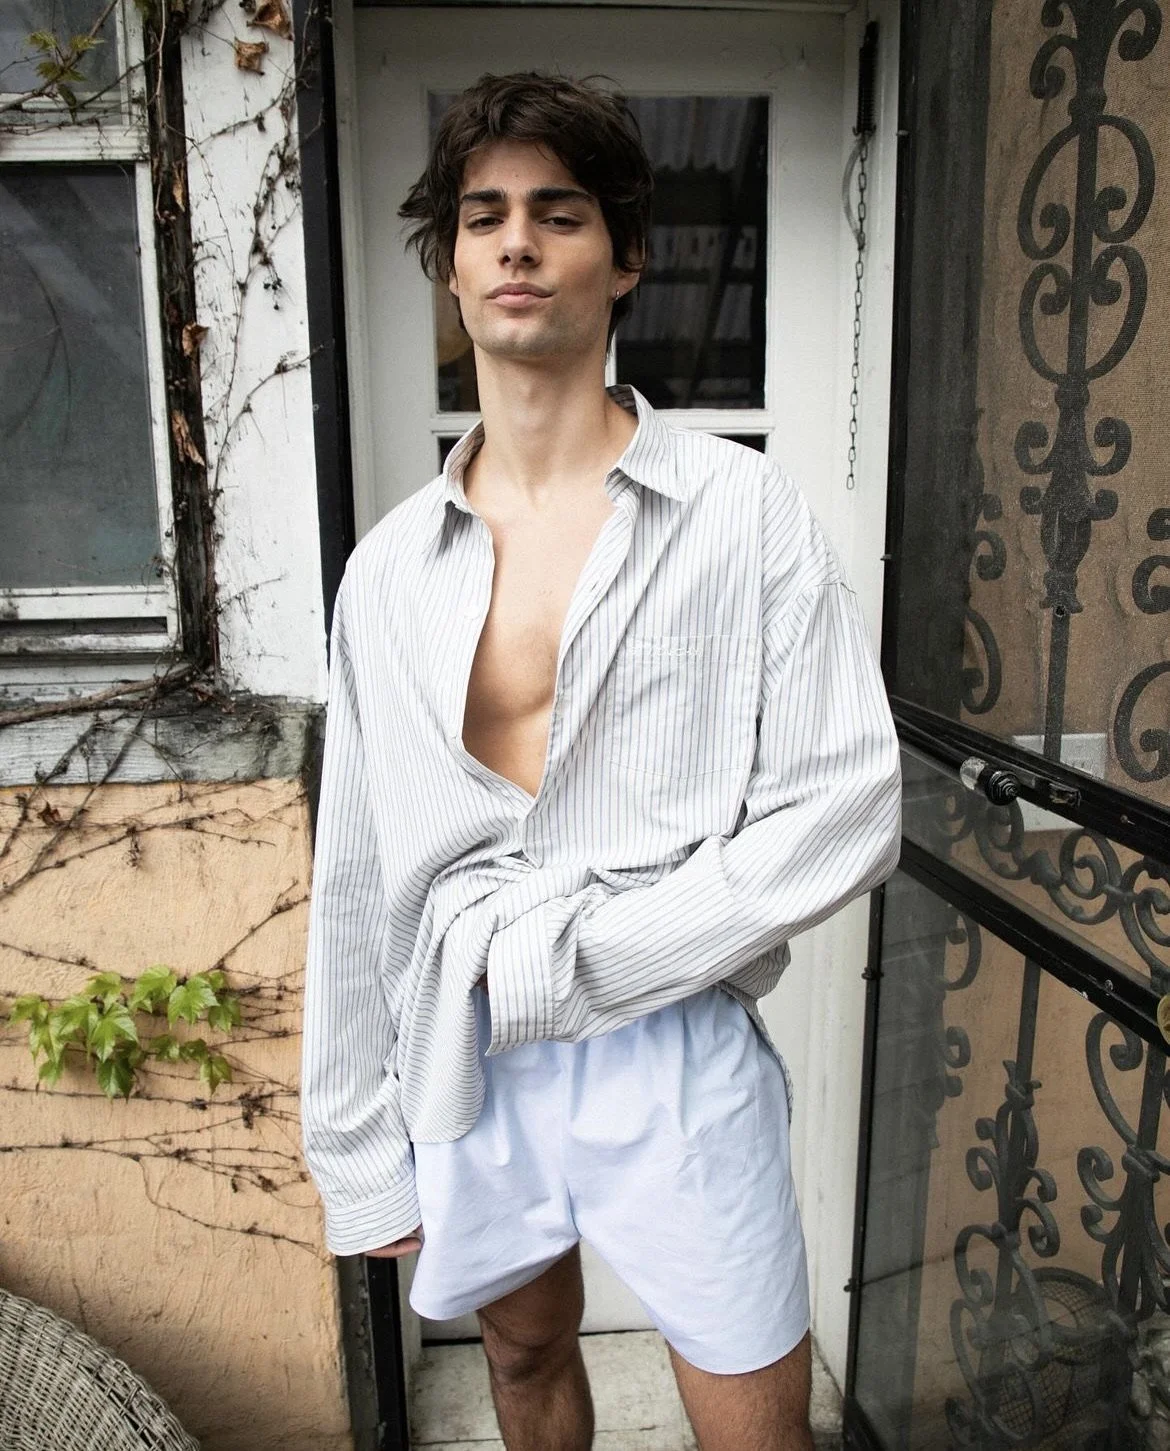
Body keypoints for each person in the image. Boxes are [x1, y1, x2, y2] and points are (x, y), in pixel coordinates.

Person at [300, 71, 901, 1451]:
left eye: (557, 214)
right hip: (468, 1043)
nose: (516, 242)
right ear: (449, 265)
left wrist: (614, 949)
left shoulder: (739, 516)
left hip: (674, 1040)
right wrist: (353, 1142)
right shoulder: (386, 571)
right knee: (518, 1364)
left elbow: (845, 805)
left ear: (622, 257)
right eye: (484, 215)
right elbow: (355, 868)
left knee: (758, 1421)